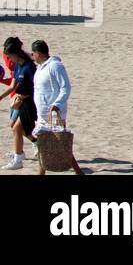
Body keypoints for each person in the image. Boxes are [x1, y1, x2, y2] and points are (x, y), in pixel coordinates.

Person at [30, 40, 81, 175]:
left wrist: (57, 104)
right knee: (43, 144)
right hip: (42, 114)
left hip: (54, 114)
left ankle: (78, 172)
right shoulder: (41, 68)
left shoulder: (55, 66)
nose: (32, 56)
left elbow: (66, 87)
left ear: (39, 53)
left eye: (33, 53)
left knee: (61, 143)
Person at [2, 38, 36, 170]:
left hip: (30, 102)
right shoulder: (17, 66)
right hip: (19, 101)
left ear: (17, 53)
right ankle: (20, 153)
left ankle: (19, 158)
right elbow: (12, 86)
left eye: (10, 56)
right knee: (15, 127)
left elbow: (37, 87)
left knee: (17, 128)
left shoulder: (29, 67)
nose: (9, 59)